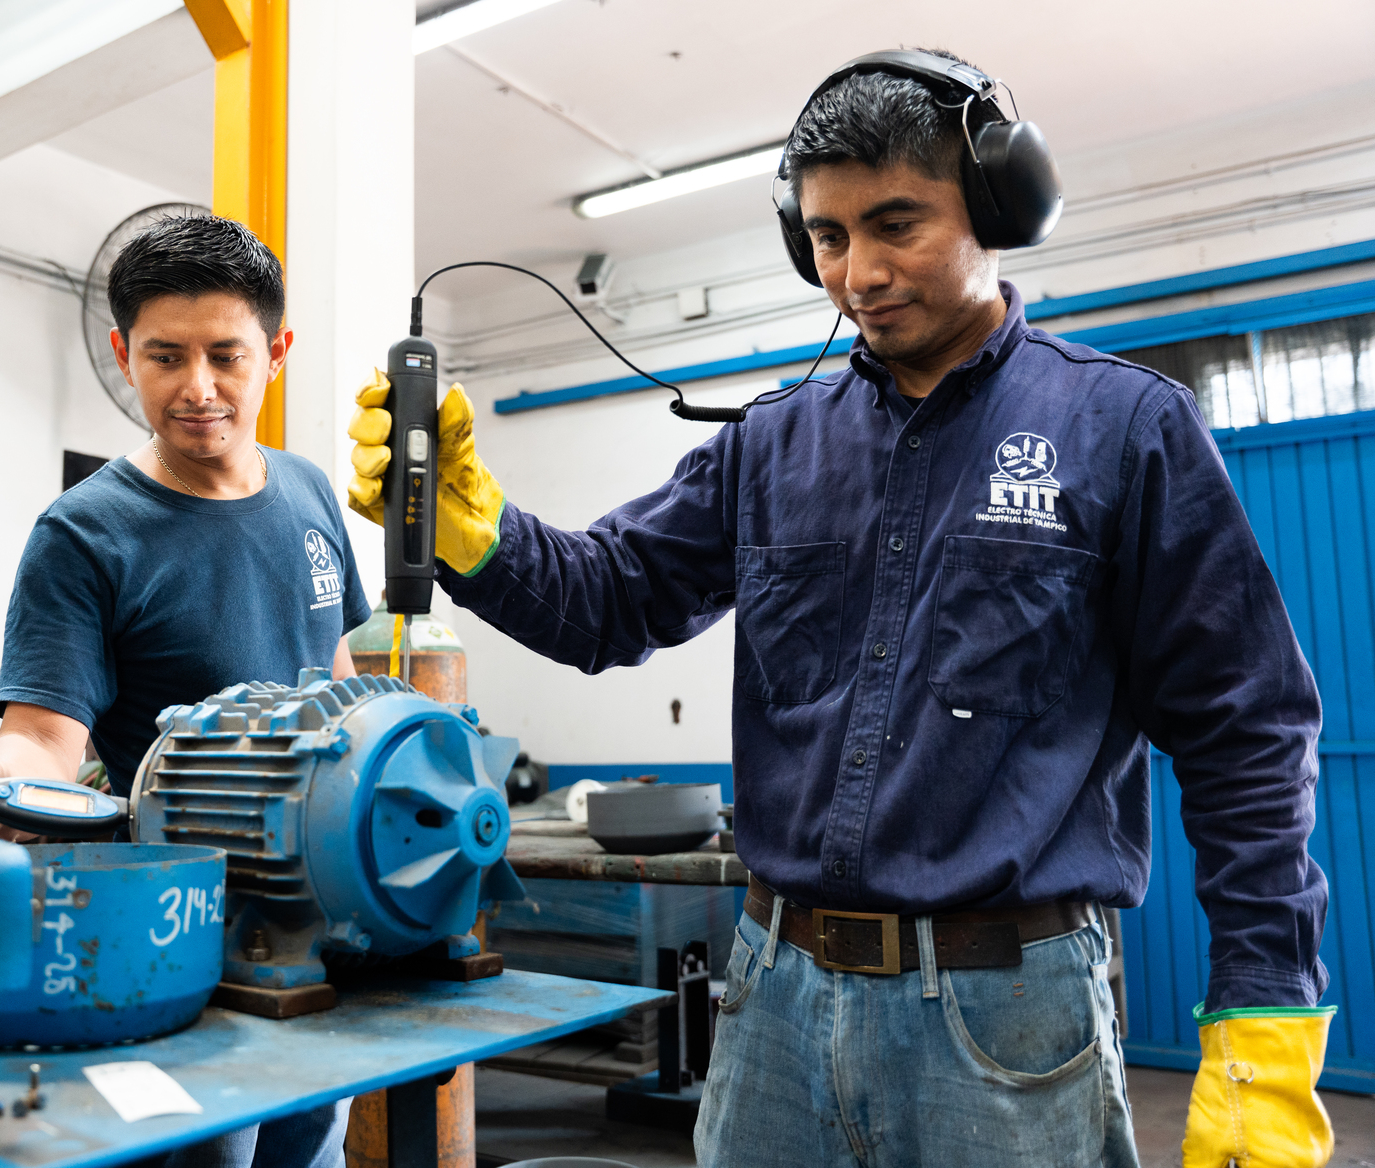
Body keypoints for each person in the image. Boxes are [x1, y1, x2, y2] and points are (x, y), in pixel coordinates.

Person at [348, 50, 1336, 1168]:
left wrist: (1265, 1008)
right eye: (826, 237)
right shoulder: (770, 443)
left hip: (1006, 1018)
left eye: (896, 223)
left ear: (994, 209)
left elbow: (1245, 729)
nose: (857, 271)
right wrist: (475, 533)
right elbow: (610, 604)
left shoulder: (1125, 428)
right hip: (775, 1002)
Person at [0, 214, 366, 1168]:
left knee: (313, 1139)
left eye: (227, 355)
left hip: (316, 911)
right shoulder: (85, 533)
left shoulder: (309, 494)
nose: (199, 388)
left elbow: (336, 679)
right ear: (126, 354)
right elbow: (44, 737)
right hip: (175, 923)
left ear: (278, 352)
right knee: (209, 1150)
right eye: (167, 356)